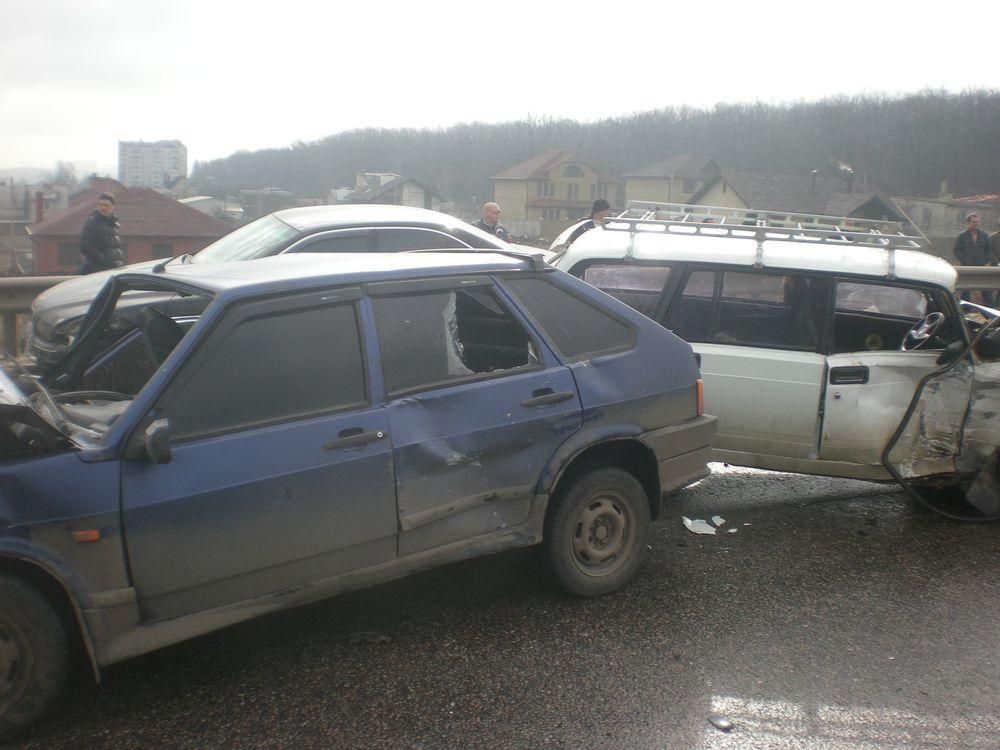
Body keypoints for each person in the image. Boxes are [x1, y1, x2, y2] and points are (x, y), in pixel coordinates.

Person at [953, 212, 997, 305]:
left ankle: (989, 311)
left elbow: (989, 250)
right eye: (974, 222)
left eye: (978, 222)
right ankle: (966, 310)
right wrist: (964, 261)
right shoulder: (962, 236)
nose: (976, 224)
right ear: (968, 223)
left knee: (987, 291)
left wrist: (985, 261)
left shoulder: (984, 236)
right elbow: (957, 250)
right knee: (966, 292)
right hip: (967, 268)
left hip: (982, 268)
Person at [79, 192, 124, 274]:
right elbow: (85, 247)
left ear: (112, 207)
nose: (103, 208)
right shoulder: (92, 222)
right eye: (100, 204)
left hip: (113, 270)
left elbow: (114, 248)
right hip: (97, 271)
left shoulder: (113, 223)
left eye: (106, 205)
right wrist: (106, 261)